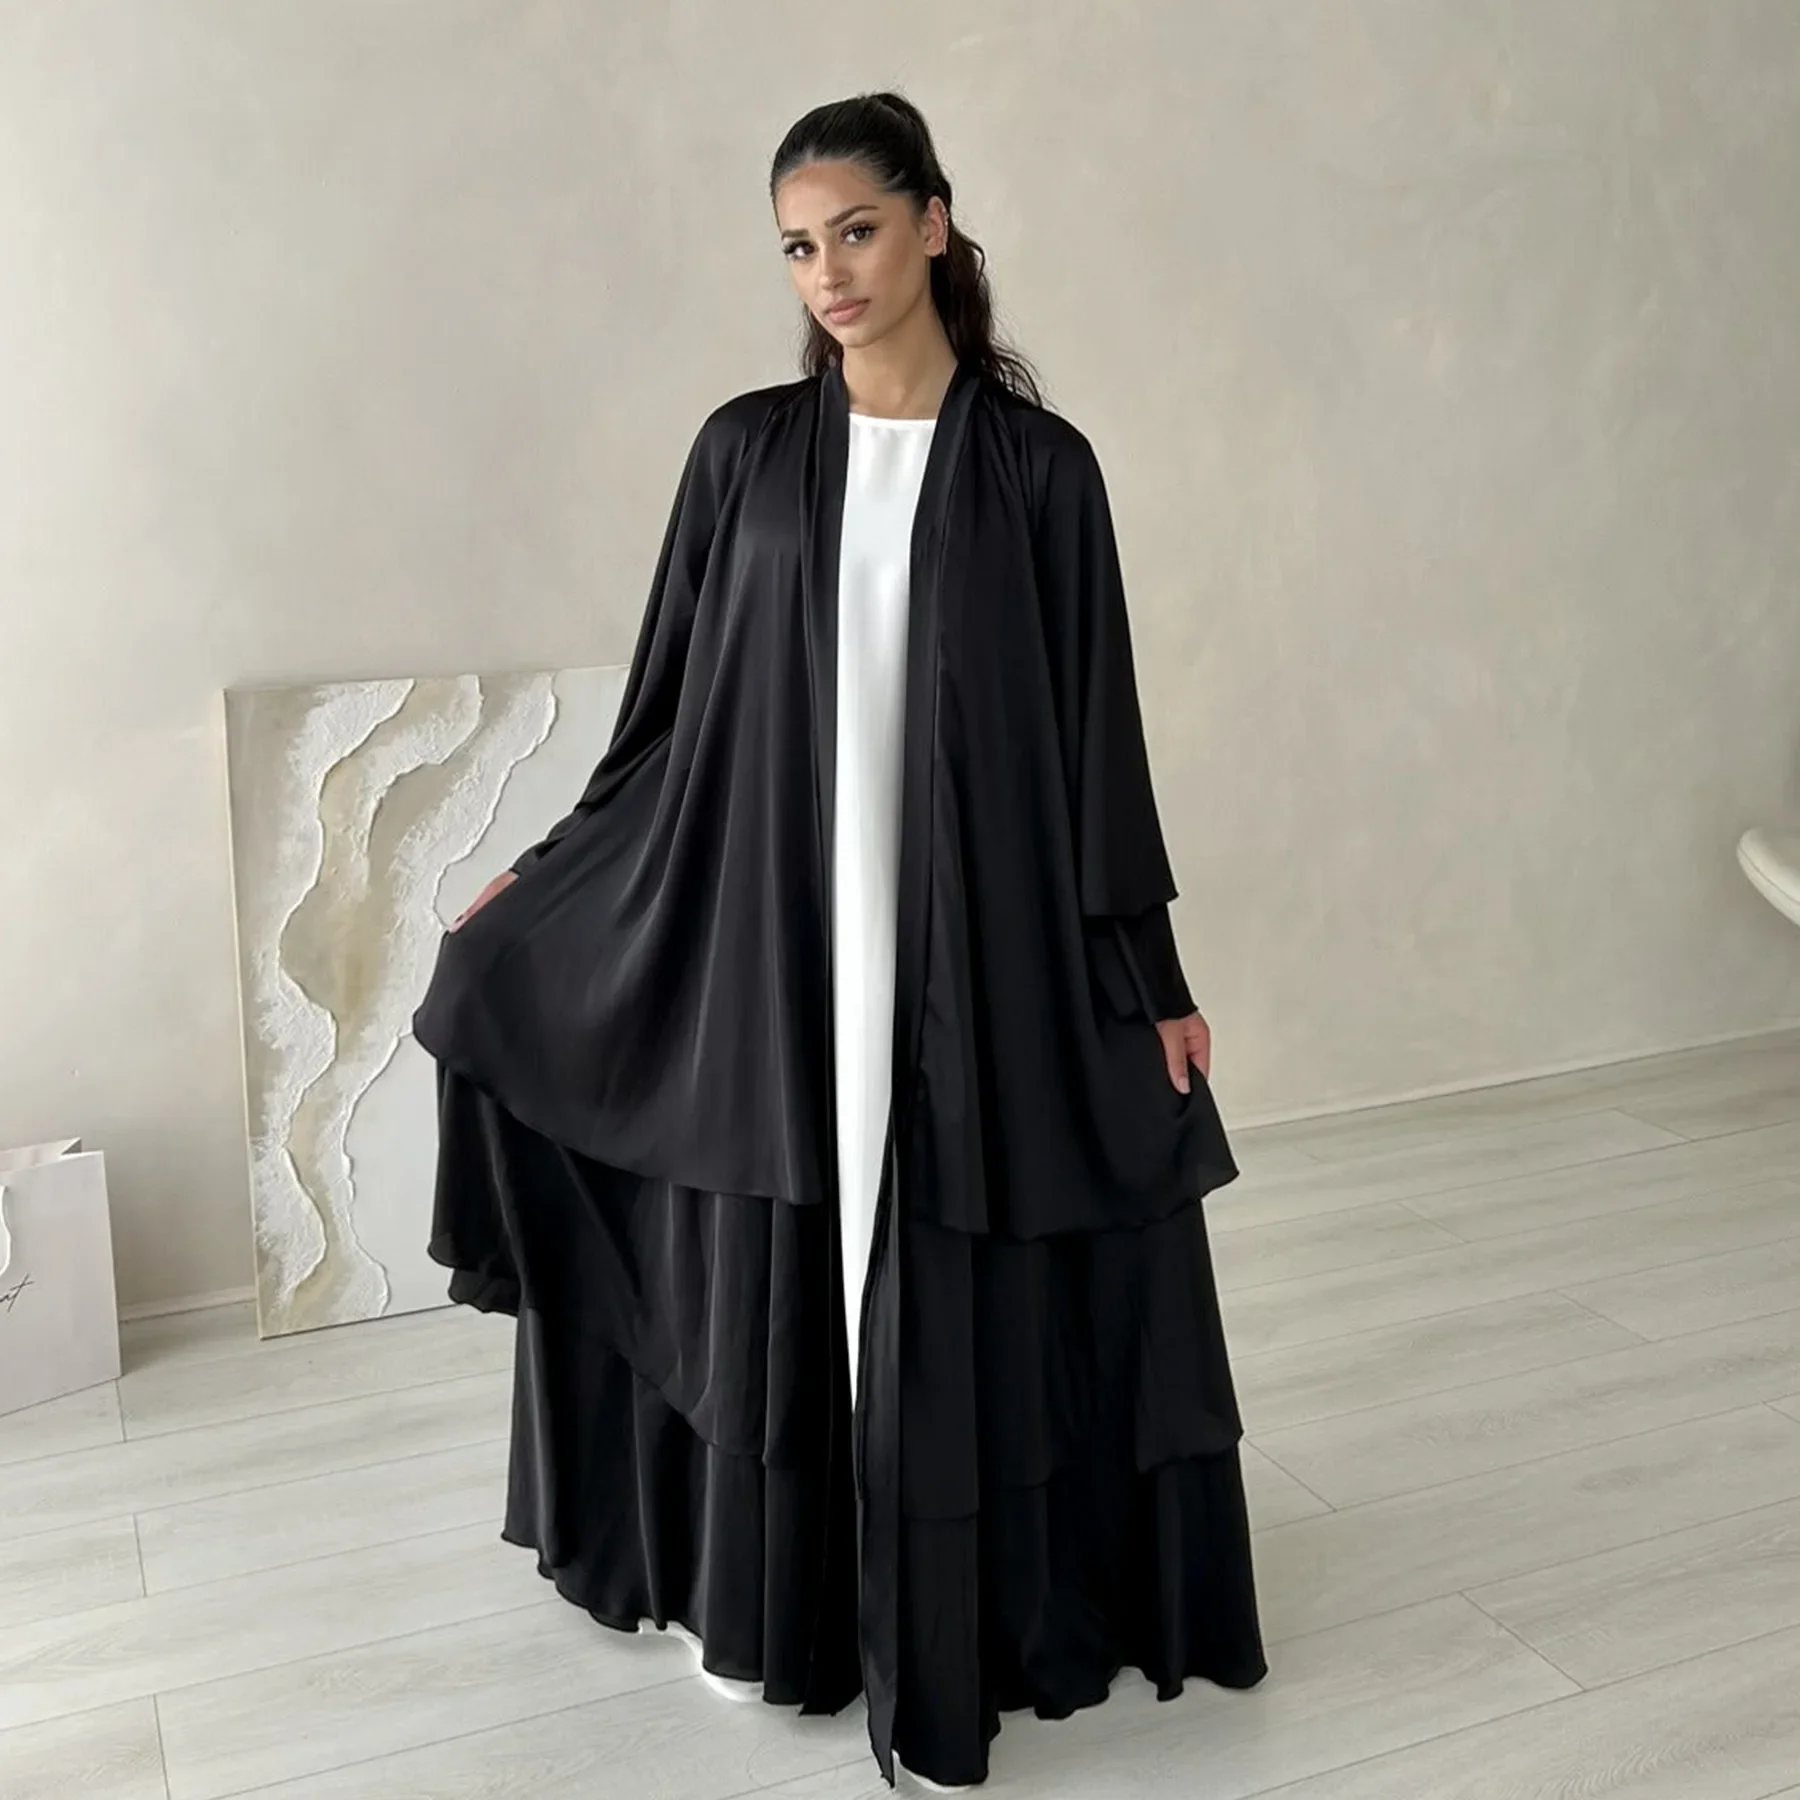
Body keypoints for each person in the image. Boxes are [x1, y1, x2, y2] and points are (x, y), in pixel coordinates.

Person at [413, 91, 1267, 1791]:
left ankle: (980, 1605)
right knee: (791, 1256)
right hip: (780, 942)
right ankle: (788, 1603)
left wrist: (1153, 980)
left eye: (857, 231)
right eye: (799, 248)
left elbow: (1099, 748)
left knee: (955, 1248)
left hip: (978, 950)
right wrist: (551, 869)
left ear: (934, 223)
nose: (829, 273)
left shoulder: (1042, 473)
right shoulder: (742, 455)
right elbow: (663, 718)